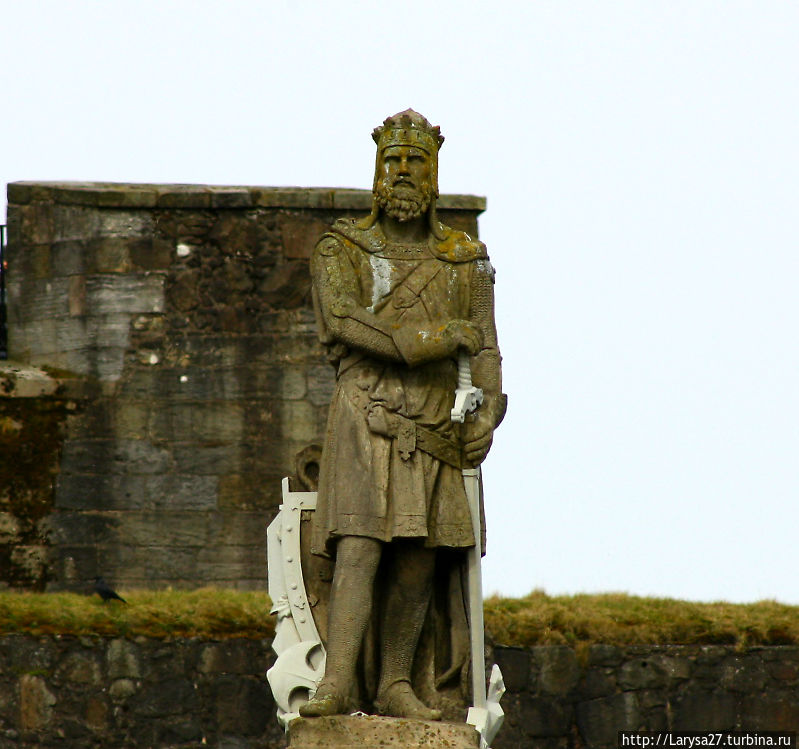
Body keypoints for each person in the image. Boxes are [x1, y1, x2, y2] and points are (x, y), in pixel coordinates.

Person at [300, 110, 504, 720]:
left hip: (436, 425)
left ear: (434, 173)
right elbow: (346, 323)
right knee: (360, 547)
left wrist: (489, 412)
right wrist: (444, 336)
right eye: (394, 161)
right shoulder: (343, 248)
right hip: (369, 416)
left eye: (416, 161)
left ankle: (395, 681)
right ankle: (337, 682)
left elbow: (488, 347)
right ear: (377, 171)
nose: (404, 172)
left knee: (418, 558)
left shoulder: (466, 260)